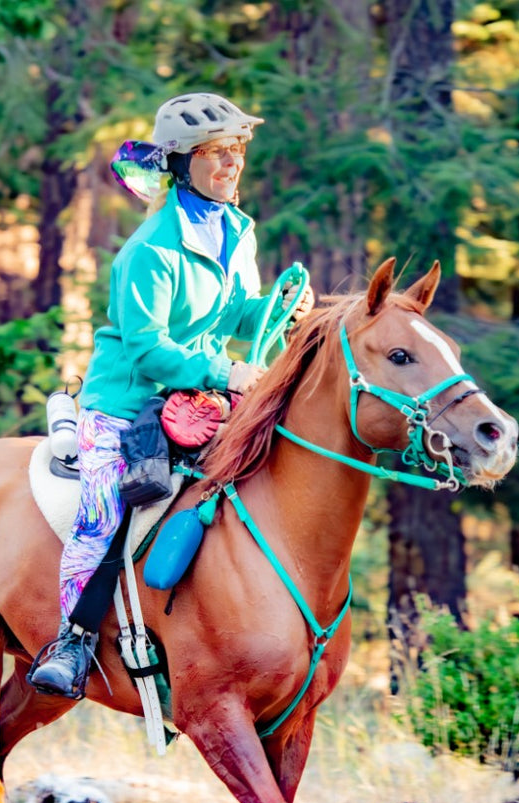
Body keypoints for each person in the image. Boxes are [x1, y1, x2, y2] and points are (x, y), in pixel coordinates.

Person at [27, 92, 315, 698]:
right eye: (216, 152)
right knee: (103, 512)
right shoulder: (149, 252)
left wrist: (280, 312)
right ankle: (72, 640)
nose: (232, 163)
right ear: (182, 164)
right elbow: (148, 349)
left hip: (202, 402)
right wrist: (226, 373)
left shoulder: (238, 230)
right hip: (128, 405)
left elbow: (236, 313)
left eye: (237, 149)